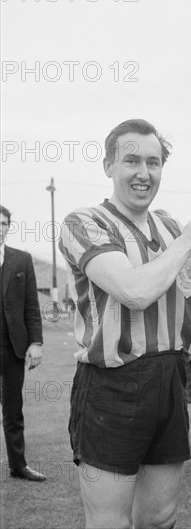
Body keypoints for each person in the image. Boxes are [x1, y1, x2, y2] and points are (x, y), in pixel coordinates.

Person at [58, 119, 191, 528]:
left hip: (170, 380)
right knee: (110, 521)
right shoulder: (85, 222)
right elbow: (133, 292)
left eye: (153, 162)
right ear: (108, 165)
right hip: (112, 386)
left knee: (161, 517)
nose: (143, 173)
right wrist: (184, 245)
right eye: (131, 161)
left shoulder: (170, 228)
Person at [0, 205, 46, 481]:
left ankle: (18, 466)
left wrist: (36, 342)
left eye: (3, 223)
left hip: (12, 348)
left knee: (13, 411)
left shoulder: (21, 260)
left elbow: (31, 305)